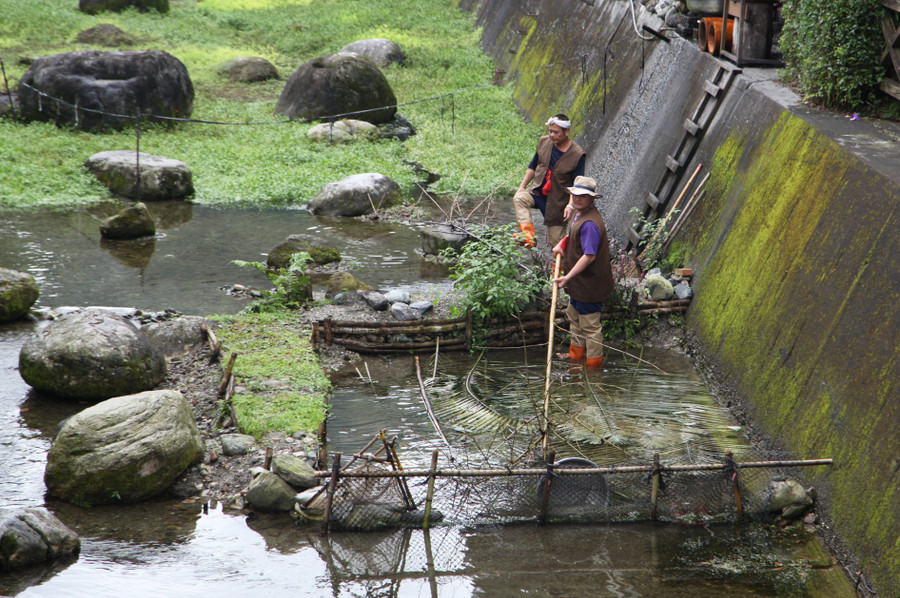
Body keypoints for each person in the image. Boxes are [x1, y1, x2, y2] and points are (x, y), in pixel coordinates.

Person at [552, 176, 615, 369]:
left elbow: (589, 256)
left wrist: (567, 277)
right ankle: (575, 357)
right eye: (575, 195)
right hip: (579, 284)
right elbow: (574, 236)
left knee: (590, 325)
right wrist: (563, 243)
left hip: (590, 284)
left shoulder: (590, 224)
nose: (578, 199)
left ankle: (593, 365)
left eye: (583, 196)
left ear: (591, 198)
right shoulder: (580, 214)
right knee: (575, 317)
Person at [512, 114, 586, 248]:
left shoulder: (577, 154)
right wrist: (522, 187)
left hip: (558, 203)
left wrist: (570, 205)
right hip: (538, 193)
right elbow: (533, 166)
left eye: (556, 132)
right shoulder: (543, 142)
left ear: (566, 132)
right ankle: (528, 237)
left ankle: (558, 269)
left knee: (557, 245)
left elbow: (577, 183)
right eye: (550, 131)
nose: (551, 135)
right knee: (519, 198)